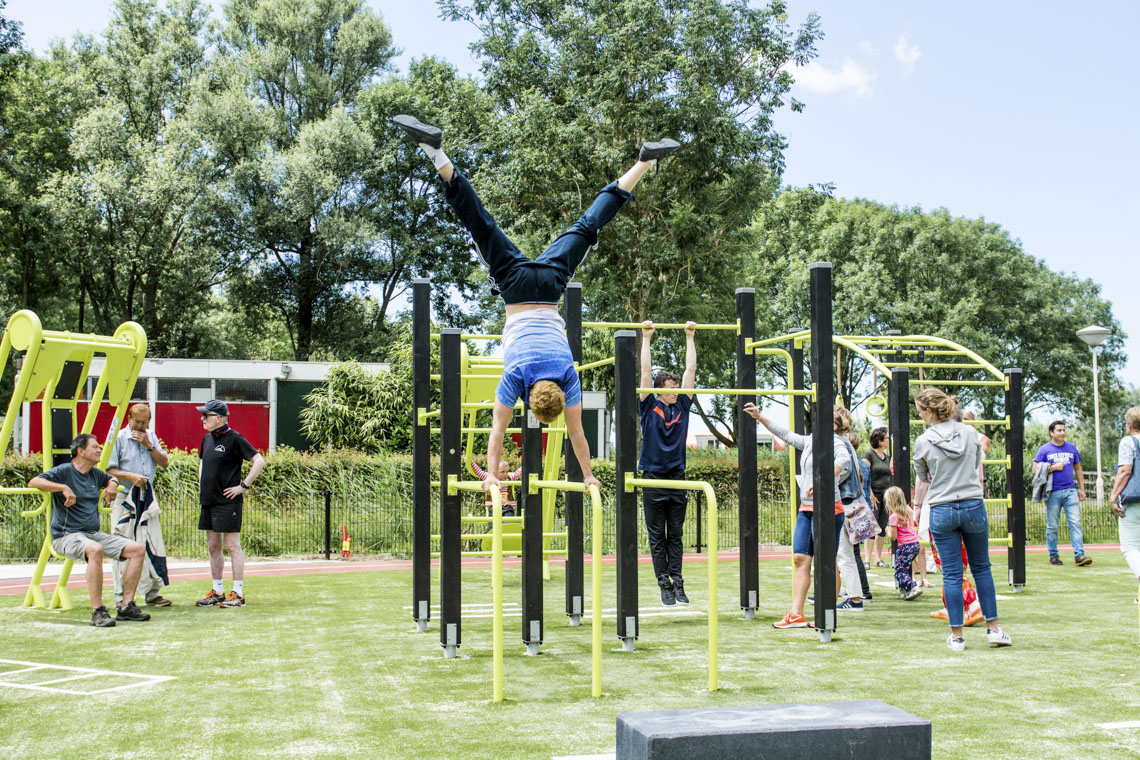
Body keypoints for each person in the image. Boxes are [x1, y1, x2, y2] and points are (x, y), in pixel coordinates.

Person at [393, 114, 680, 500]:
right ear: (531, 399)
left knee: (587, 225)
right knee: (478, 221)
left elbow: (577, 434)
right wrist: (491, 476)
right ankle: (433, 150)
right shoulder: (516, 374)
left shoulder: (567, 374)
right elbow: (497, 430)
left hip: (549, 285)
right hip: (513, 286)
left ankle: (643, 161)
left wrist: (590, 475)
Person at [913, 388, 1011, 651]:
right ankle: (993, 629)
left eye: (920, 411)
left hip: (942, 507)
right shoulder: (969, 432)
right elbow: (978, 461)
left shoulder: (924, 440)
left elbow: (922, 475)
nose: (920, 415)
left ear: (929, 412)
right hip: (972, 503)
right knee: (982, 568)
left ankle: (957, 636)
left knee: (953, 575)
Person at [742, 402, 849, 629]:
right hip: (807, 509)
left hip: (829, 509)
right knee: (800, 558)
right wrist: (760, 417)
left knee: (825, 562)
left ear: (835, 425)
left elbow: (844, 462)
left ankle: (825, 611)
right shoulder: (810, 441)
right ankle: (796, 613)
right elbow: (787, 435)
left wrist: (823, 480)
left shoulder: (836, 442)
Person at [28, 434, 151, 627]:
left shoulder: (95, 473)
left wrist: (112, 485)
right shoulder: (64, 471)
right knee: (95, 549)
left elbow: (112, 477)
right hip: (66, 535)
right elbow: (34, 482)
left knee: (137, 549)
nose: (100, 450)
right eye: (95, 447)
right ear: (81, 451)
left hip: (92, 534)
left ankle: (126, 606)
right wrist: (63, 487)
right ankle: (98, 611)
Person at [639, 320, 697, 606]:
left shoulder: (683, 406)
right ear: (659, 390)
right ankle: (663, 583)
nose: (675, 391)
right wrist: (646, 338)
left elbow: (691, 371)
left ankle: (679, 582)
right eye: (671, 388)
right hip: (652, 477)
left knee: (675, 534)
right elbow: (645, 372)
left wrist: (689, 337)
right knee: (656, 536)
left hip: (677, 476)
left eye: (677, 388)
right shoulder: (649, 404)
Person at [195, 400, 266, 609]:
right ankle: (217, 591)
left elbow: (259, 461)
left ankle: (238, 593)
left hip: (228, 502)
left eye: (205, 415)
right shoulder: (207, 439)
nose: (202, 419)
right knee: (213, 546)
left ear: (218, 418)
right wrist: (202, 487)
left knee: (232, 545)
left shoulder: (234, 438)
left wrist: (242, 486)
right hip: (208, 500)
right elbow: (203, 464)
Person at [106, 404, 172, 609]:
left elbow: (164, 463)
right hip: (125, 497)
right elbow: (109, 469)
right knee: (121, 546)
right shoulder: (118, 437)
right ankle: (121, 597)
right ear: (129, 419)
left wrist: (149, 445)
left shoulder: (151, 436)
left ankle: (153, 593)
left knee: (151, 543)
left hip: (146, 498)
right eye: (137, 422)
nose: (141, 426)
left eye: (145, 422)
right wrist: (130, 476)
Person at [1034, 420, 1091, 566]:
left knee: (1075, 523)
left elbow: (1078, 469)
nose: (1063, 433)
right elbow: (1035, 470)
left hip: (1071, 491)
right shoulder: (1044, 450)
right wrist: (1053, 468)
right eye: (1059, 430)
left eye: (1064, 430)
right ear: (1051, 433)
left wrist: (1082, 489)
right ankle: (1053, 555)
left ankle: (1080, 555)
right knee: (1052, 525)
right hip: (1053, 492)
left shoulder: (1071, 448)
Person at [1108, 407, 1140, 587]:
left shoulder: (1129, 442)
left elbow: (1125, 471)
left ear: (1129, 425)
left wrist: (1113, 496)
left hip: (1134, 501)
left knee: (1130, 547)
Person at [885, 486, 923, 601]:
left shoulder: (894, 516)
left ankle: (913, 587)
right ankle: (905, 590)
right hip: (914, 544)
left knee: (899, 572)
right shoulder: (908, 510)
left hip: (905, 546)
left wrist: (887, 529)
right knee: (904, 568)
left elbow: (893, 536)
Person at [863, 426, 892, 567]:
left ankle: (878, 558)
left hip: (886, 496)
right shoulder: (869, 455)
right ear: (880, 441)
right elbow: (864, 475)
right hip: (873, 495)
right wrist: (870, 494)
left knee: (881, 526)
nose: (889, 441)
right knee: (871, 527)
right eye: (887, 438)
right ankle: (867, 559)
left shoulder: (888, 457)